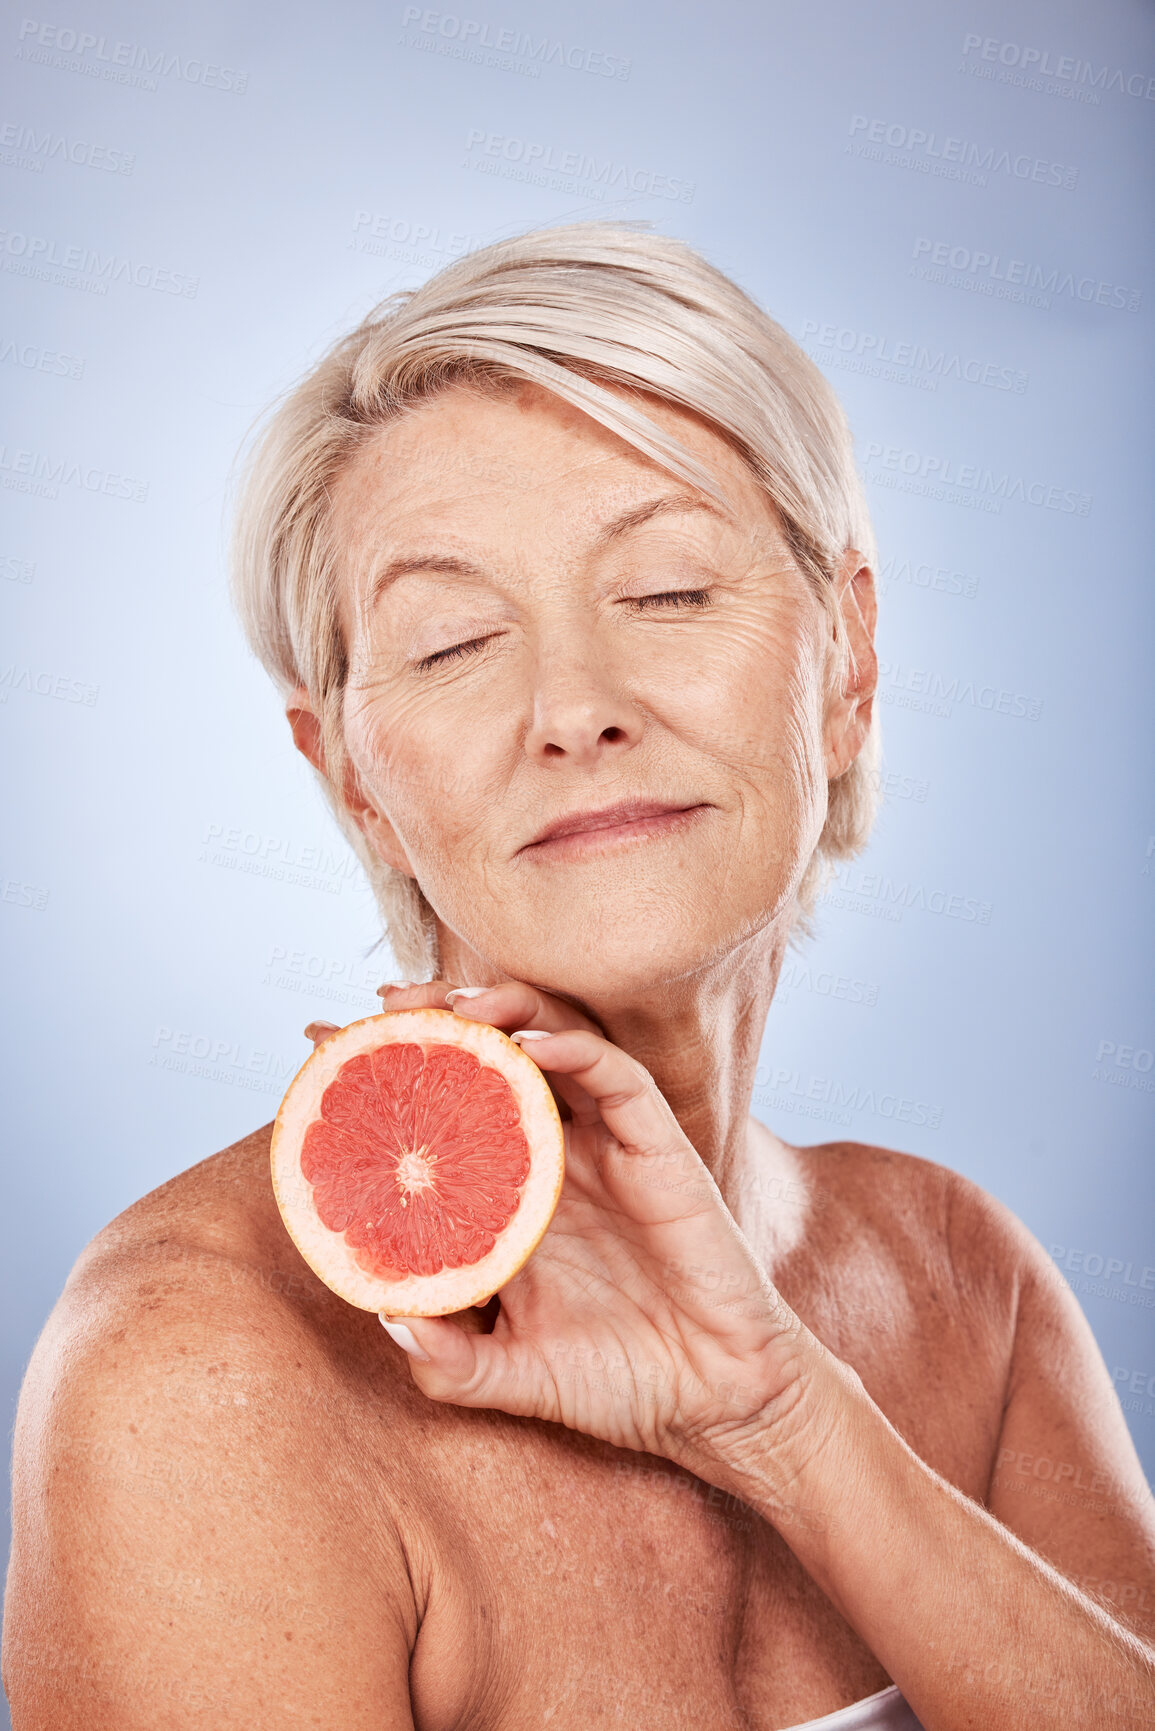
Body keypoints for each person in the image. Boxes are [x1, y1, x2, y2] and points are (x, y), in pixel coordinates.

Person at [4, 223, 1153, 1731]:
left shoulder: (963, 1277)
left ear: (849, 664)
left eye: (668, 591)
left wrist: (791, 1420)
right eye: (455, 640)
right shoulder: (201, 1371)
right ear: (349, 773)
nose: (575, 709)